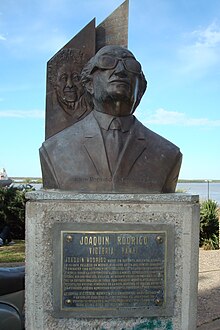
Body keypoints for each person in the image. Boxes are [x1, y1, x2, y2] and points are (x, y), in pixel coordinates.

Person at [40, 45, 182, 193]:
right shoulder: (54, 149)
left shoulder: (168, 153)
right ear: (89, 84)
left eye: (130, 65)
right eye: (107, 62)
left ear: (140, 88)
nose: (120, 70)